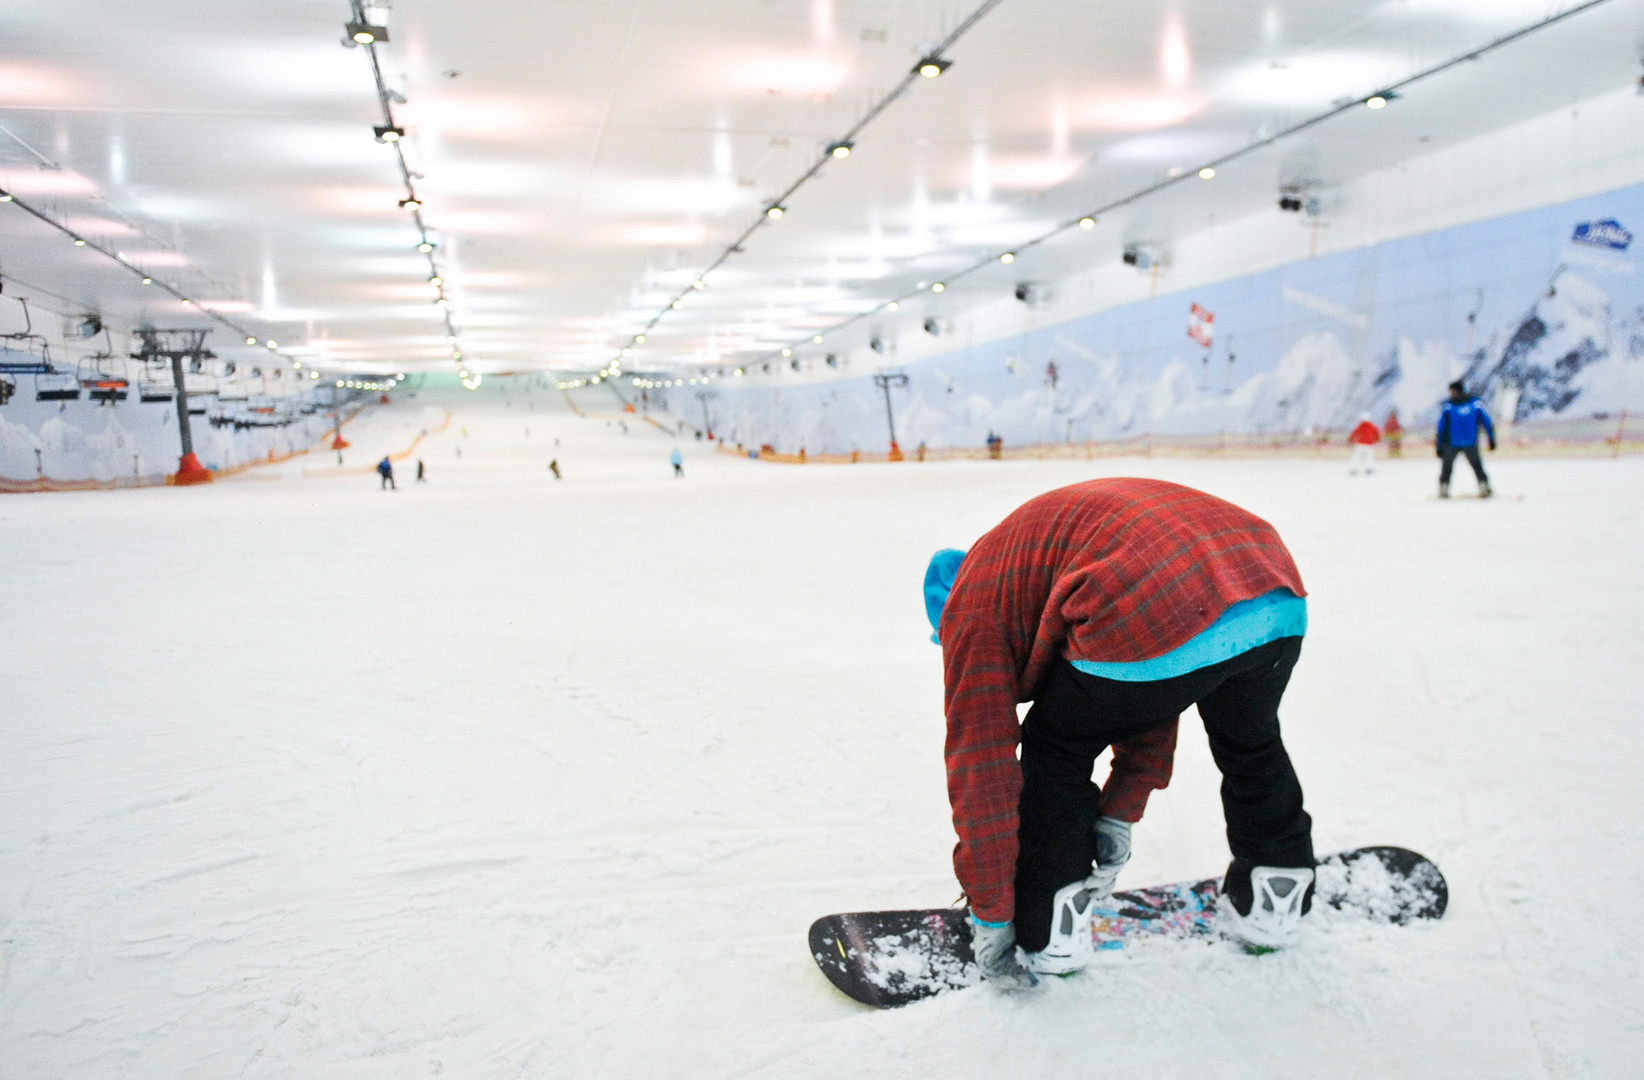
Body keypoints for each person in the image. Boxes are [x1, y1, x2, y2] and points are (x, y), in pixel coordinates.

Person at [935, 478, 1316, 988]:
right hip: (1271, 585)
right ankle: (1278, 883)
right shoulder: (1025, 566)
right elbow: (1156, 685)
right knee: (1251, 740)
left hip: (1163, 593)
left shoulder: (972, 608)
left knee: (1056, 751)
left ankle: (1050, 929)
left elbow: (982, 770)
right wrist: (1117, 813)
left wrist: (992, 910)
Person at [1436, 380, 1495, 498]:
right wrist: (1491, 439)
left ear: (1454, 391)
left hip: (1452, 442)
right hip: (1470, 441)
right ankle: (1484, 487)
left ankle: (1444, 488)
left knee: (1447, 466)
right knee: (1477, 465)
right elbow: (1487, 422)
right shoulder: (1475, 404)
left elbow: (1441, 427)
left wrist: (1439, 445)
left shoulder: (1448, 407)